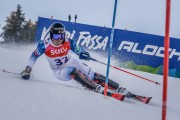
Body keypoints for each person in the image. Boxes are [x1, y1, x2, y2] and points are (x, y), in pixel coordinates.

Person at [21, 22, 151, 104]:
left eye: (61, 36)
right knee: (72, 71)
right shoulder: (44, 45)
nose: (59, 40)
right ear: (51, 36)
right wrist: (28, 69)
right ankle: (96, 87)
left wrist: (84, 54)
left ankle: (119, 88)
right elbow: (33, 56)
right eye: (56, 37)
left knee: (92, 74)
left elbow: (78, 50)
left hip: (71, 60)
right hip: (59, 71)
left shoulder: (67, 41)